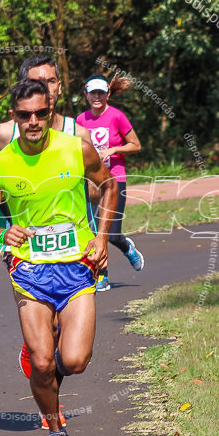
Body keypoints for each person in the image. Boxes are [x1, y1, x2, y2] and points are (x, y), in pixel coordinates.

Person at [0, 78, 116, 436]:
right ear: (13, 117)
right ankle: (55, 433)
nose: (33, 121)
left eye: (40, 113)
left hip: (77, 268)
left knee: (73, 362)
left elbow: (110, 186)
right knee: (42, 361)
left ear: (50, 112)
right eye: (24, 115)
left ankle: (47, 369)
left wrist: (101, 239)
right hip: (30, 270)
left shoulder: (77, 147)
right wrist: (3, 232)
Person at [76, 74, 144, 291]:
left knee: (112, 233)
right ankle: (101, 276)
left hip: (115, 178)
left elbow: (136, 145)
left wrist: (114, 149)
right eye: (92, 92)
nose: (97, 97)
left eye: (101, 93)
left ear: (108, 94)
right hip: (91, 182)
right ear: (86, 94)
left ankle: (126, 247)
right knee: (93, 231)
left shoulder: (117, 116)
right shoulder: (80, 120)